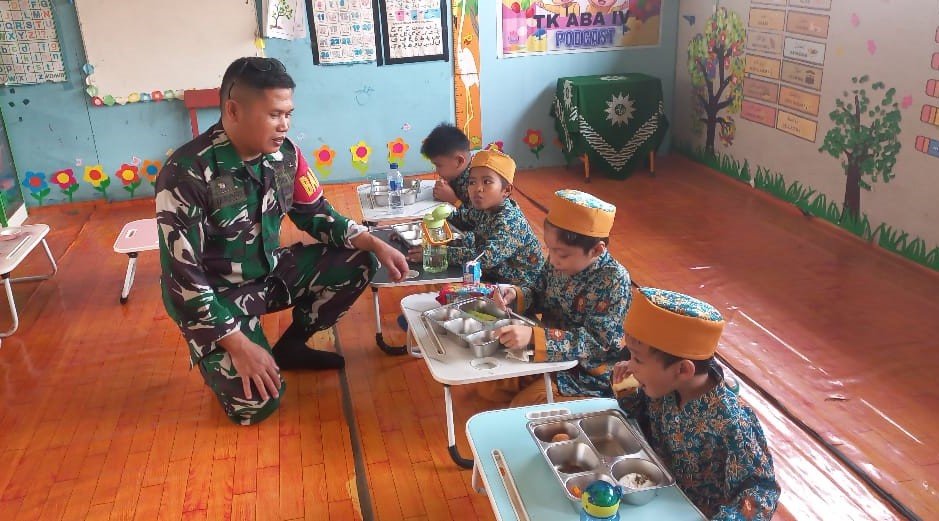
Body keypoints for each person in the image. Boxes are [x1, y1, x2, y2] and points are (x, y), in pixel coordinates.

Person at [155, 57, 409, 425]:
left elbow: (316, 213)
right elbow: (183, 280)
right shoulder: (187, 173)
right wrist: (237, 343)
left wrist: (373, 241)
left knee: (359, 260)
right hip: (218, 299)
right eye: (274, 114)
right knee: (257, 405)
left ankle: (291, 347)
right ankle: (229, 352)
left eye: (288, 114)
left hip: (269, 273)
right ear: (233, 110)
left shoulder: (284, 156)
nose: (285, 124)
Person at [612, 288, 780, 519]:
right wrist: (628, 388)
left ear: (683, 369)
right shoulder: (666, 388)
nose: (630, 365)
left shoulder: (733, 423)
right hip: (655, 495)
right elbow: (638, 417)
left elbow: (760, 495)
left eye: (638, 359)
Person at [493, 190, 631, 406]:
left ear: (596, 250)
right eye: (550, 249)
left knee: (526, 404)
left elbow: (596, 344)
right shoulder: (558, 261)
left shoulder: (614, 280)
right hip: (546, 353)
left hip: (584, 373)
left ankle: (591, 405)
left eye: (563, 254)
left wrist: (535, 337)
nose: (554, 260)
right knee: (492, 384)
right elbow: (538, 292)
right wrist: (515, 295)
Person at [445, 148, 544, 288]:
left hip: (519, 289)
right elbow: (462, 218)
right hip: (494, 275)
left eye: (487, 182)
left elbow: (485, 258)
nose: (477, 189)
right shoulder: (485, 207)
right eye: (472, 182)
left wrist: (441, 254)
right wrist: (435, 219)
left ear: (506, 190)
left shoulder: (509, 221)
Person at [420, 124, 472, 208]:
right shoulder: (457, 175)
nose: (436, 171)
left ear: (459, 161)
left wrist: (453, 200)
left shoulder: (477, 182)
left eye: (439, 165)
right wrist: (442, 190)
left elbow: (478, 215)